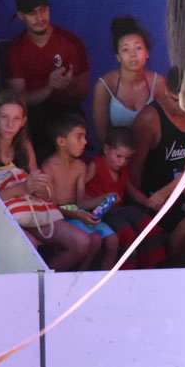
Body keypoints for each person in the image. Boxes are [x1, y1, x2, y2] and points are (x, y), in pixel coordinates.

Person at [0, 90, 90, 271]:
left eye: (16, 119)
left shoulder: (25, 146)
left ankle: (40, 284)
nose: (10, 124)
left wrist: (39, 184)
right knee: (30, 244)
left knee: (82, 242)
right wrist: (23, 186)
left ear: (24, 121)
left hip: (26, 210)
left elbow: (40, 188)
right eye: (4, 117)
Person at [5, 0, 90, 159]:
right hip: (35, 114)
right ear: (21, 16)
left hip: (67, 110)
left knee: (74, 130)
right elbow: (18, 99)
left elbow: (84, 91)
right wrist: (49, 88)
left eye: (43, 10)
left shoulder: (69, 41)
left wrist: (68, 85)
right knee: (21, 123)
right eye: (32, 13)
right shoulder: (15, 50)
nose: (39, 17)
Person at [132, 66, 185, 264]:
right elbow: (135, 166)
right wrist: (141, 204)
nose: (180, 106)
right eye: (173, 99)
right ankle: (167, 266)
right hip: (161, 194)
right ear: (164, 91)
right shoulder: (150, 118)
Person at [41, 114, 116, 271]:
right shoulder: (48, 168)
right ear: (61, 141)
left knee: (109, 239)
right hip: (59, 216)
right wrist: (78, 215)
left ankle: (83, 273)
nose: (85, 142)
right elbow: (50, 207)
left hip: (77, 212)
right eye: (79, 137)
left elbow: (80, 202)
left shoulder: (80, 166)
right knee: (92, 240)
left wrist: (102, 199)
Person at [84, 127, 166, 268]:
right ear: (106, 149)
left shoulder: (123, 170)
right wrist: (92, 203)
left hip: (120, 210)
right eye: (119, 156)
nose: (122, 162)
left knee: (148, 223)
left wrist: (149, 202)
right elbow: (80, 188)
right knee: (125, 231)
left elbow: (132, 192)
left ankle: (151, 265)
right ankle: (126, 268)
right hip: (101, 212)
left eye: (127, 158)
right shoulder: (95, 165)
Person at [91, 16, 169, 149]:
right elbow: (101, 135)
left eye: (138, 48)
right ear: (118, 56)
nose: (133, 54)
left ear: (147, 53)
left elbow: (168, 127)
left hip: (153, 156)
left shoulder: (159, 83)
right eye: (125, 49)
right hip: (117, 159)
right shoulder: (105, 86)